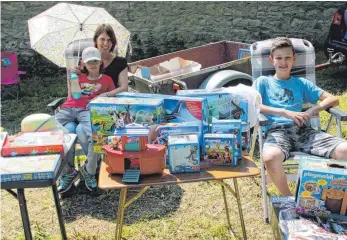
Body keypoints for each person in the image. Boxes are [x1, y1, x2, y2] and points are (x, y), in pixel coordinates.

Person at [253, 37, 347, 196]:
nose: (283, 62)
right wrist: (283, 112)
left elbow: (334, 99)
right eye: (279, 58)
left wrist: (312, 111)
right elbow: (254, 104)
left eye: (288, 57)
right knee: (269, 157)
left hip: (304, 131)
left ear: (294, 59)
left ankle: (331, 197)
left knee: (345, 150)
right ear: (271, 60)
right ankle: (289, 200)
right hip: (277, 133)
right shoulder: (263, 82)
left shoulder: (301, 83)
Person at [56, 47, 116, 193]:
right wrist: (73, 77)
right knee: (50, 133)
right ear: (83, 63)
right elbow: (72, 97)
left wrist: (102, 97)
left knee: (98, 136)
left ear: (100, 61)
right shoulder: (77, 76)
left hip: (87, 110)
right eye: (89, 62)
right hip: (69, 109)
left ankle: (89, 170)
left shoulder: (107, 79)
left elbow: (114, 98)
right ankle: (68, 172)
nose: (93, 64)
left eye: (95, 61)